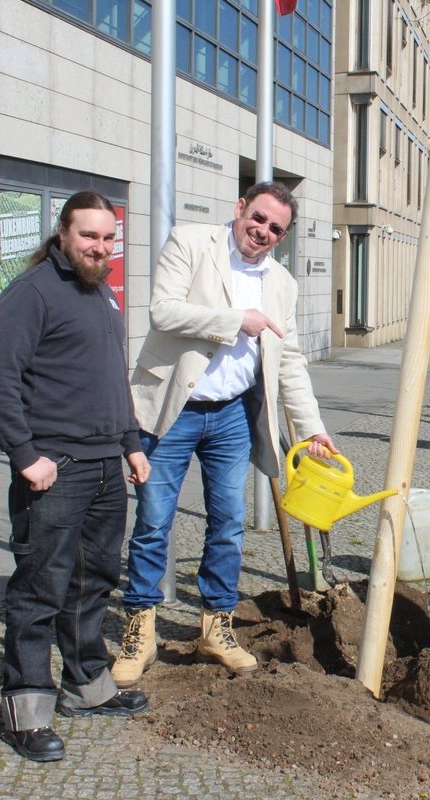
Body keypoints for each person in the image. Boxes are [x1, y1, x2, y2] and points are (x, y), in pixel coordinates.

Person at [112, 181, 335, 687]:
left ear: (283, 236)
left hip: (232, 415)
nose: (262, 231)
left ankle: (217, 627)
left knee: (229, 523)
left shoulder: (282, 283)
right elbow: (163, 310)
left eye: (275, 228)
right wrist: (236, 320)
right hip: (174, 408)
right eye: (258, 218)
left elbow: (290, 361)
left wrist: (312, 430)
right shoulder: (191, 243)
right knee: (153, 522)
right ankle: (140, 633)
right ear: (240, 208)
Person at [0, 191, 152, 763]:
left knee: (93, 583)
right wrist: (25, 454)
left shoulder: (102, 293)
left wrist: (131, 444)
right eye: (88, 236)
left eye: (108, 238)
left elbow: (111, 379)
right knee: (40, 590)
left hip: (105, 467)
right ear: (63, 233)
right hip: (55, 472)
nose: (99, 247)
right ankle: (25, 712)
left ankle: (87, 686)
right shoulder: (32, 292)